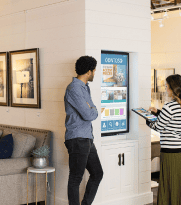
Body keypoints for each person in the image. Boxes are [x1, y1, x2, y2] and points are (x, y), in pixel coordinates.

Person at [64, 56, 103, 205]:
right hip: (77, 139)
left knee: (97, 173)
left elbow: (91, 110)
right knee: (75, 178)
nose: (94, 73)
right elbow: (89, 114)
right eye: (94, 71)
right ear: (89, 71)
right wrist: (91, 109)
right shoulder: (74, 88)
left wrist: (91, 108)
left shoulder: (85, 87)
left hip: (86, 138)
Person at [147, 74, 181, 205]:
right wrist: (158, 112)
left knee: (168, 181)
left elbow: (158, 127)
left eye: (167, 87)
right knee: (179, 181)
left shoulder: (169, 106)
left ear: (173, 88)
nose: (166, 89)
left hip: (170, 150)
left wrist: (147, 119)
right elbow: (174, 120)